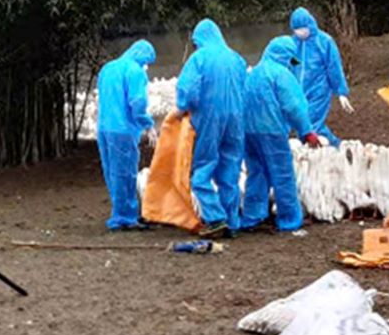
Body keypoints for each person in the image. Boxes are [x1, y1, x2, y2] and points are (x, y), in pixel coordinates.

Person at [175, 19, 247, 238]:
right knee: (230, 169)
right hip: (236, 118)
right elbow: (244, 86)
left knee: (202, 169)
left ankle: (215, 218)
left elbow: (188, 89)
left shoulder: (199, 58)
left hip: (209, 118)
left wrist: (183, 107)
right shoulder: (236, 58)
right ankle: (232, 222)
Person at [240, 36, 321, 232]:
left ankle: (252, 216)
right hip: (271, 131)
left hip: (248, 132)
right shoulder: (281, 74)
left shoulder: (253, 74)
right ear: (286, 57)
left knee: (257, 173)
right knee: (282, 174)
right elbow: (293, 106)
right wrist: (306, 130)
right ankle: (289, 218)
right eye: (291, 60)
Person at [97, 40, 158, 231]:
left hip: (103, 127)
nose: (146, 66)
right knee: (126, 173)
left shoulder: (107, 68)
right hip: (123, 129)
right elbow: (137, 101)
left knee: (112, 172)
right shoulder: (135, 71)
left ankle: (119, 212)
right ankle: (127, 217)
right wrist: (147, 123)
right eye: (147, 62)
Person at [289, 7, 353, 145]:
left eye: (303, 29)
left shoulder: (324, 42)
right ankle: (318, 148)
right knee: (302, 122)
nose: (300, 33)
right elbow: (290, 62)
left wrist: (341, 92)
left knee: (312, 122)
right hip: (299, 90)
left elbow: (334, 67)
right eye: (296, 30)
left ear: (309, 25)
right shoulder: (293, 43)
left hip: (319, 89)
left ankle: (336, 146)